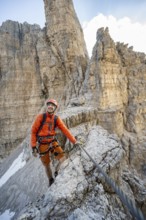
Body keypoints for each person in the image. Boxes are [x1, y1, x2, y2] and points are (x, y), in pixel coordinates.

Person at [31, 99, 78, 186]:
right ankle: (51, 180)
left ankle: (56, 172)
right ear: (47, 106)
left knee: (62, 158)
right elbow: (33, 132)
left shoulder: (56, 119)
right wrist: (33, 147)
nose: (50, 106)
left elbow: (65, 130)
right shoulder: (41, 117)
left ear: (55, 108)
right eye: (49, 104)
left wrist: (74, 141)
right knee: (47, 165)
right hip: (42, 144)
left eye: (52, 105)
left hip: (52, 142)